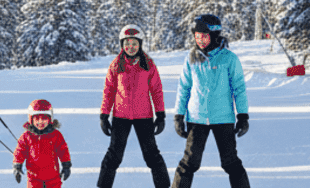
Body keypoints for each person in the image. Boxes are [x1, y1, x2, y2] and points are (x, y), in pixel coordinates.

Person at [171, 14, 250, 188]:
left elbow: (239, 89)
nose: (200, 40)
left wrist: (243, 115)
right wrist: (179, 116)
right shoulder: (191, 59)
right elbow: (183, 88)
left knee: (231, 162)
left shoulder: (229, 58)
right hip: (197, 118)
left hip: (223, 118)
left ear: (214, 35)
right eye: (197, 36)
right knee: (189, 163)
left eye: (204, 36)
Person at [97, 25, 171, 188]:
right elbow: (109, 91)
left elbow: (156, 90)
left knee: (152, 155)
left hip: (144, 116)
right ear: (122, 45)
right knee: (113, 156)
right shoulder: (116, 65)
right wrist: (104, 115)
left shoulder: (148, 65)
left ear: (140, 45)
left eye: (134, 44)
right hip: (120, 117)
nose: (131, 47)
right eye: (127, 43)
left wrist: (160, 115)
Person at [13, 98, 72, 187]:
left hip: (53, 177)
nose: (40, 121)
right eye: (37, 118)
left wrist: (66, 165)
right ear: (31, 119)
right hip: (33, 178)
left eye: (44, 118)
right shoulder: (26, 136)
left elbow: (63, 150)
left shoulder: (55, 135)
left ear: (50, 119)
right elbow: (20, 151)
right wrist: (17, 166)